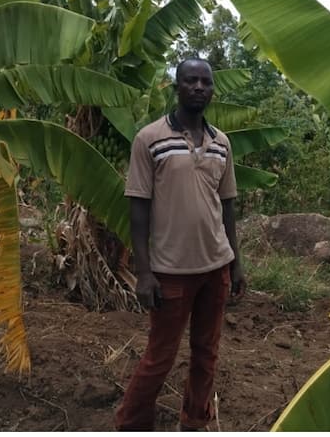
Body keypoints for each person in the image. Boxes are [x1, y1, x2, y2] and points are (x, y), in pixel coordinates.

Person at [114, 57, 246, 431]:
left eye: (206, 82)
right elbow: (138, 207)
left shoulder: (222, 143)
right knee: (160, 357)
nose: (199, 88)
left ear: (212, 90)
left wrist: (235, 262)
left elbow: (228, 204)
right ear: (177, 86)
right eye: (191, 81)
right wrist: (143, 272)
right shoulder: (150, 139)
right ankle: (131, 424)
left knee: (206, 354)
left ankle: (195, 422)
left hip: (215, 266)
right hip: (170, 272)